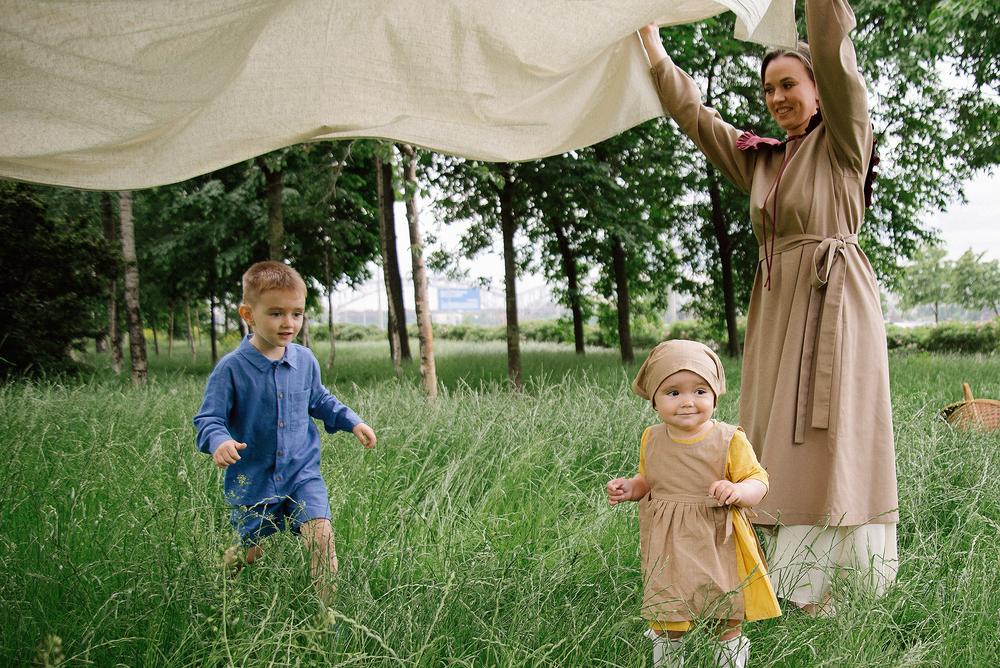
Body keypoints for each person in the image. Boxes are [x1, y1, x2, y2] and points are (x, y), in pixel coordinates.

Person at [637, 0, 898, 617]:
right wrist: (651, 45)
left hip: (837, 306)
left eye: (790, 84)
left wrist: (817, 10)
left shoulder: (842, 142)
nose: (777, 97)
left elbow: (836, 56)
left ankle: (836, 588)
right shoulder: (760, 159)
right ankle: (776, 579)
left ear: (816, 91)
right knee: (771, 438)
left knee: (833, 436)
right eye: (769, 88)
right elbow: (695, 118)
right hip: (779, 310)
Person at [193, 261, 376, 605]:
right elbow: (208, 419)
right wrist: (220, 441)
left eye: (297, 313)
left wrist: (353, 421)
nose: (288, 323)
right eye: (276, 313)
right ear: (248, 313)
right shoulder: (231, 369)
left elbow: (320, 399)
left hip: (301, 475)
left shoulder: (305, 360)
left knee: (321, 538)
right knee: (250, 554)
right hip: (254, 480)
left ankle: (329, 619)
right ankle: (219, 592)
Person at [607, 340, 780, 668]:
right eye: (673, 393)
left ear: (715, 394)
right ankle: (668, 661)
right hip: (668, 545)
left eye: (700, 391)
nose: (687, 402)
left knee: (724, 614)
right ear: (654, 400)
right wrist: (632, 487)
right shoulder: (652, 437)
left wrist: (738, 490)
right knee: (667, 614)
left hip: (716, 541)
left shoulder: (729, 439)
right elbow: (651, 478)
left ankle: (730, 660)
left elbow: (759, 481)